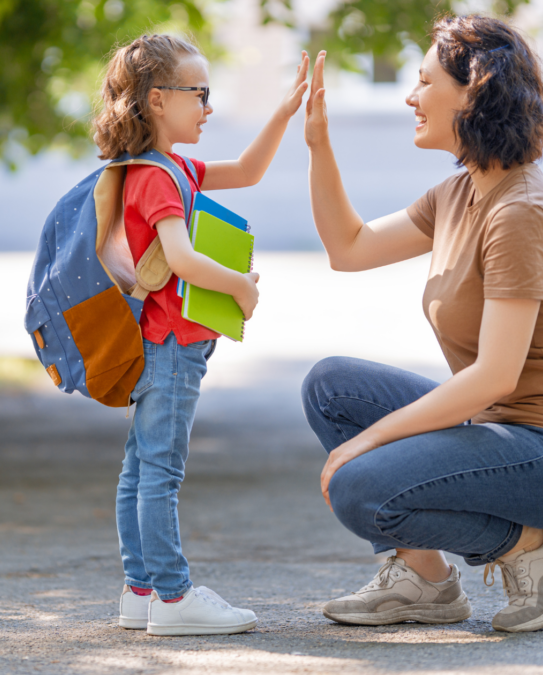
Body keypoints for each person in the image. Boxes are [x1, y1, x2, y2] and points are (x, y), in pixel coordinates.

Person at [300, 15, 543, 633]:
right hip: (500, 428)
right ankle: (426, 581)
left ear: (474, 91)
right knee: (331, 386)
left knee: (361, 487)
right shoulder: (458, 194)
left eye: (423, 81)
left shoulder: (522, 210)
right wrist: (318, 144)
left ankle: (531, 544)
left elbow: (494, 375)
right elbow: (350, 247)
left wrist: (368, 441)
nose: (410, 97)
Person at [92, 34, 309, 636]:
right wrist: (241, 286)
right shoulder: (159, 178)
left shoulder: (165, 168)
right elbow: (181, 259)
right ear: (158, 100)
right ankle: (173, 595)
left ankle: (141, 591)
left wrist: (285, 111)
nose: (208, 107)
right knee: (159, 471)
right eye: (200, 94)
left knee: (139, 469)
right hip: (169, 346)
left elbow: (247, 170)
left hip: (153, 345)